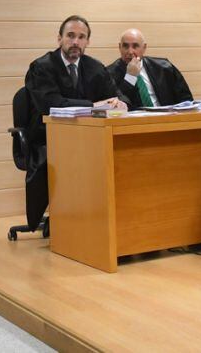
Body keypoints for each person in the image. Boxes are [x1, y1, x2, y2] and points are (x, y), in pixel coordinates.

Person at [22, 15, 127, 228]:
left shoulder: (95, 67)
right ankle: (72, 221)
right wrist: (93, 105)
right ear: (59, 38)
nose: (75, 42)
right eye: (70, 36)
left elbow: (116, 95)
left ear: (88, 42)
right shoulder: (41, 67)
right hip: (47, 138)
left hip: (89, 137)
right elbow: (52, 104)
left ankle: (103, 219)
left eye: (81, 37)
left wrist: (120, 103)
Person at [106, 28, 193, 109]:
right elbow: (115, 105)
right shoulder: (109, 74)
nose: (130, 51)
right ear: (119, 47)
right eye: (125, 46)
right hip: (134, 123)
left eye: (135, 46)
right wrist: (130, 78)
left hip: (167, 119)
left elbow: (186, 100)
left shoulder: (164, 67)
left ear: (144, 48)